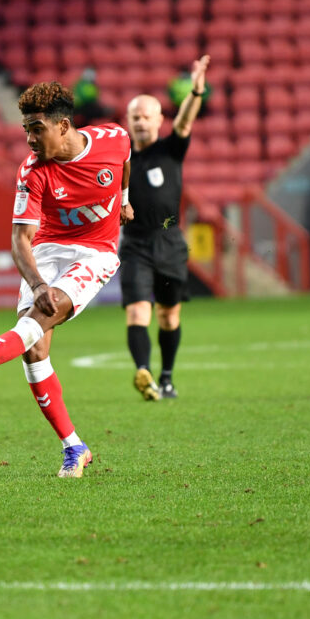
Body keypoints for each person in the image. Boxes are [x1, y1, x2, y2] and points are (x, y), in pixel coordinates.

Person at [0, 82, 133, 478]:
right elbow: (20, 239)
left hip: (95, 252)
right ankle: (75, 447)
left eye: (37, 129)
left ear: (63, 126)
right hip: (48, 249)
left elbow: (126, 156)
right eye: (26, 130)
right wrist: (38, 284)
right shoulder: (32, 171)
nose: (31, 139)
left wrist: (124, 197)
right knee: (34, 350)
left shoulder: (113, 138)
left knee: (36, 322)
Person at [122, 55, 210, 401]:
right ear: (128, 122)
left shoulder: (170, 150)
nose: (141, 122)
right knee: (137, 311)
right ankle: (144, 373)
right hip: (135, 245)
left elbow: (186, 120)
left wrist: (196, 92)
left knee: (169, 316)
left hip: (170, 243)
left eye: (147, 116)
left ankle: (167, 376)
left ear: (159, 120)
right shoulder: (120, 160)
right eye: (135, 117)